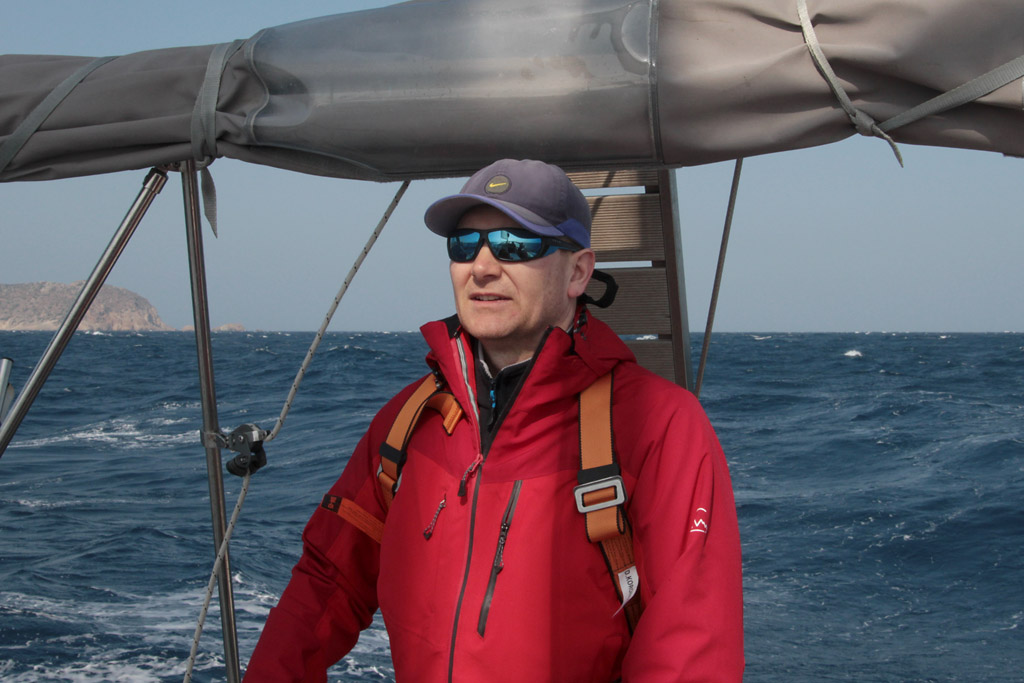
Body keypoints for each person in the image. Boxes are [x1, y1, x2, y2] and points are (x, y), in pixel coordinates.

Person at [245, 159, 744, 681]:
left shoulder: (660, 426)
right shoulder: (407, 423)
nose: (481, 266)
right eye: (464, 245)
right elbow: (327, 582)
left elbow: (690, 649)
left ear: (578, 272)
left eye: (515, 243)